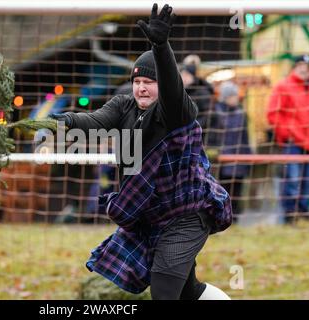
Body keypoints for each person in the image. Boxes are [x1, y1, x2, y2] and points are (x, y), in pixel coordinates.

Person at [51, 3, 232, 300]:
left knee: (163, 290)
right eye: (137, 81)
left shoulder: (177, 111)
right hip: (154, 215)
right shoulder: (124, 105)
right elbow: (97, 120)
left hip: (187, 214)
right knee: (189, 290)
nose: (141, 88)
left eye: (149, 82)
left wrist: (161, 47)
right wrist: (67, 120)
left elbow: (173, 88)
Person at [267, 54, 309, 224]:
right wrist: (289, 133)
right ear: (294, 67)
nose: (304, 69)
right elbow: (272, 114)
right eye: (300, 65)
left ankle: (302, 211)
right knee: (292, 180)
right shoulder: (283, 86)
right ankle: (289, 214)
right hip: (293, 142)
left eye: (307, 66)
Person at [214, 81, 252, 222]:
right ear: (225, 97)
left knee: (237, 191)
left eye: (236, 95)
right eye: (232, 96)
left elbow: (245, 138)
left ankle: (234, 219)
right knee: (223, 191)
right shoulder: (216, 113)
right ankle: (222, 218)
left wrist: (249, 157)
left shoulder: (242, 114)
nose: (235, 98)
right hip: (223, 160)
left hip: (239, 158)